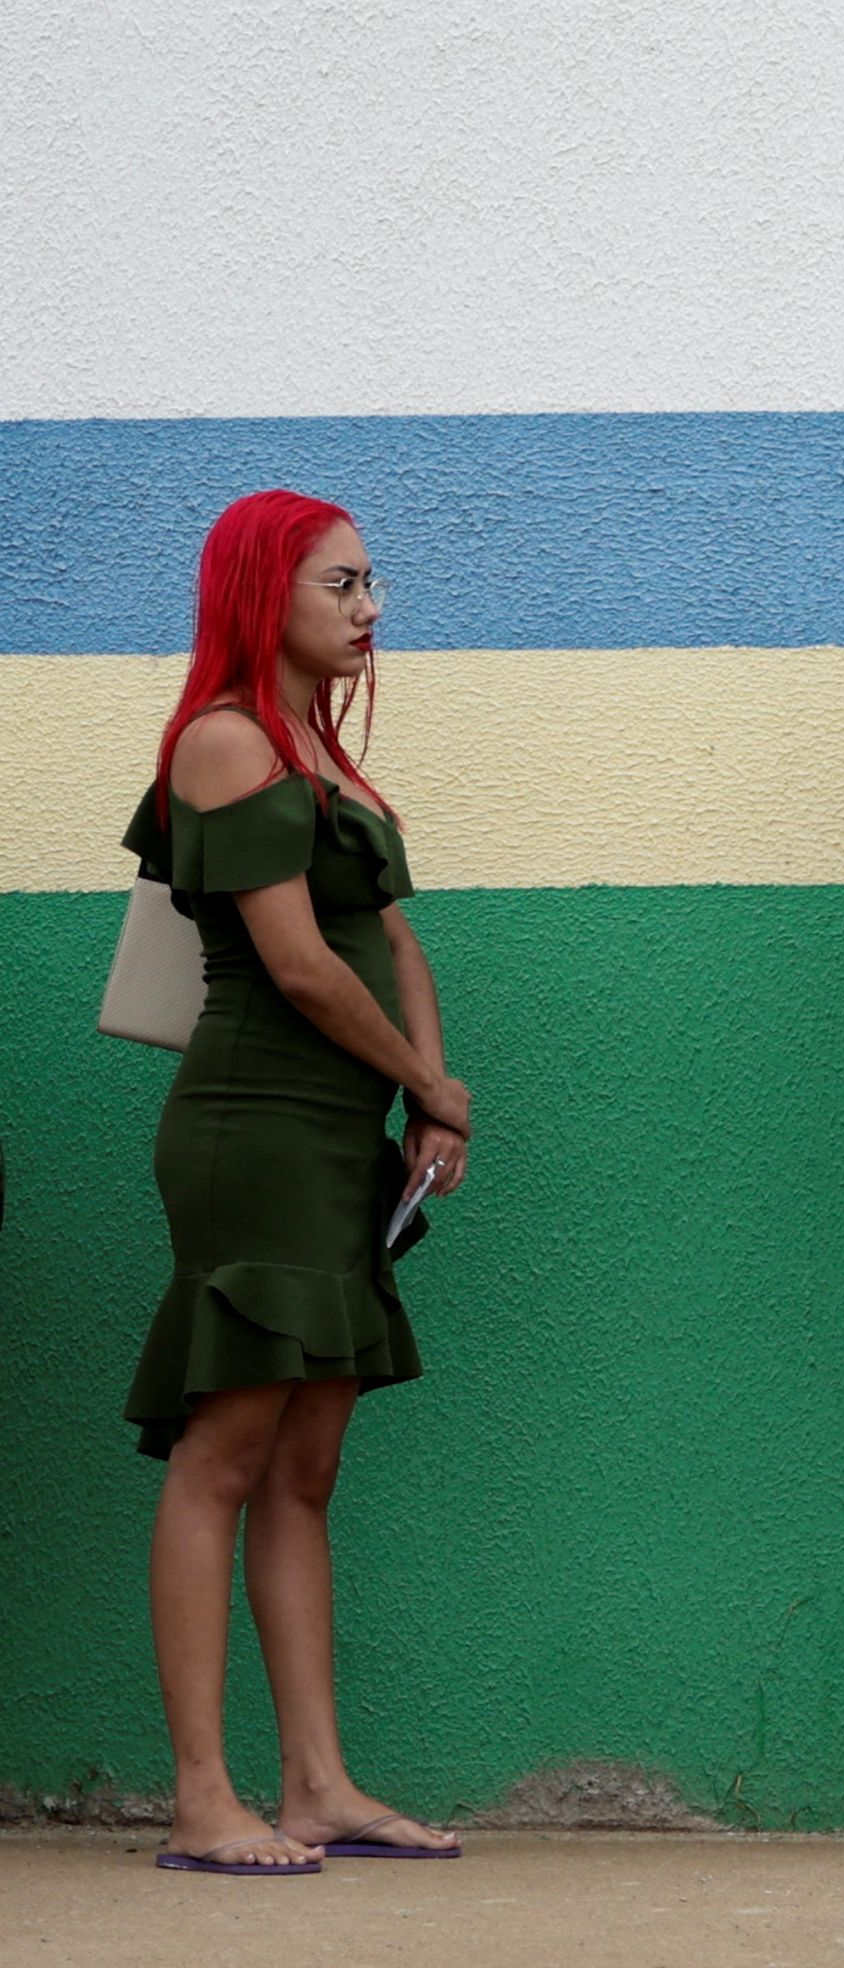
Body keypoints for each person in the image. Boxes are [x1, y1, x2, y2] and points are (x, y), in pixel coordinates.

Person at [124, 489, 474, 1875]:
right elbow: (300, 965)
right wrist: (425, 1088)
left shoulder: (319, 754)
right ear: (267, 592)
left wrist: (427, 1099)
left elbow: (390, 941)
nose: (370, 606)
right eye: (342, 582)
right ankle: (206, 1796)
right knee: (227, 1454)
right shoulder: (222, 742)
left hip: (344, 1134)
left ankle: (317, 1782)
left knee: (307, 1467)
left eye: (374, 580)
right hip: (256, 1130)